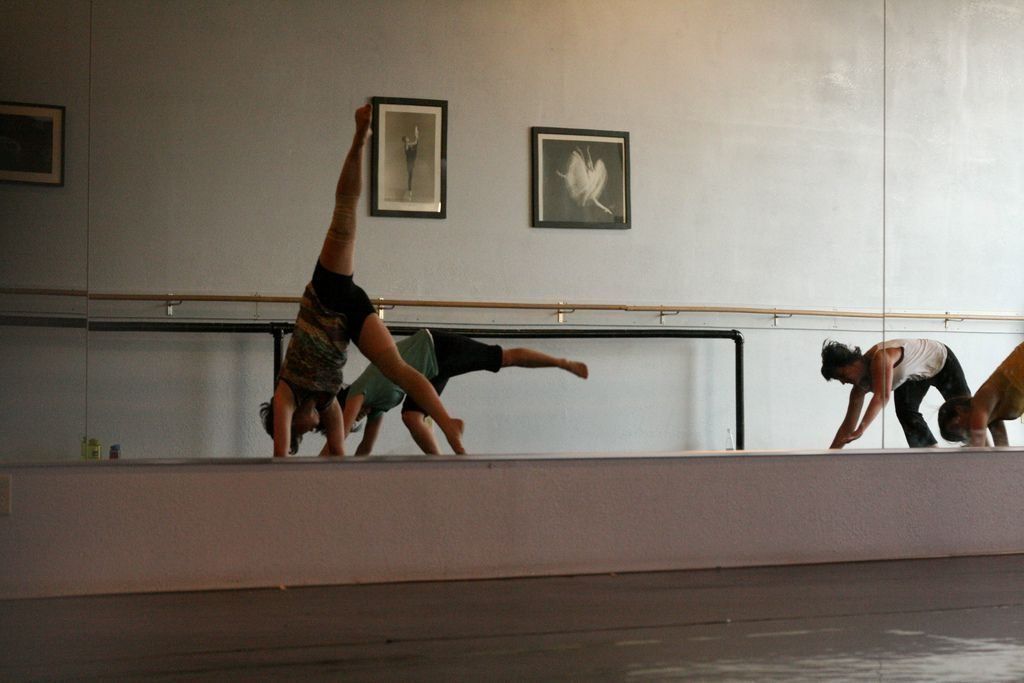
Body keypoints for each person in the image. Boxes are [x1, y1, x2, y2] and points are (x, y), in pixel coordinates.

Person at [259, 105, 464, 457]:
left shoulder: (285, 396)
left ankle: (359, 139)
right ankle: (449, 426)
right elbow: (339, 455)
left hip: (327, 295)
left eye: (300, 434)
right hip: (349, 316)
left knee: (344, 212)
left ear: (291, 424)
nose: (308, 432)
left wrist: (287, 453)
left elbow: (280, 457)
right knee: (398, 370)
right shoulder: (327, 403)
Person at [338, 328, 588, 455]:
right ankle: (445, 463)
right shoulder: (377, 408)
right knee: (411, 417)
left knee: (505, 358)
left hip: (436, 346)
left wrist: (321, 468)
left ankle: (561, 363)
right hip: (429, 373)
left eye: (355, 417)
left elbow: (339, 440)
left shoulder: (357, 392)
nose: (359, 417)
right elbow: (365, 449)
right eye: (358, 420)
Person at [821, 338, 971, 448]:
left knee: (966, 410)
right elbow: (847, 427)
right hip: (912, 377)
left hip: (939, 360)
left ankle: (977, 445)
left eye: (842, 375)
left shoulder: (880, 358)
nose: (843, 382)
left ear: (852, 363)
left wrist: (862, 428)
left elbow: (882, 396)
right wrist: (829, 458)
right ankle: (929, 453)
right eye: (839, 380)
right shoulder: (859, 389)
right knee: (905, 413)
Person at [937, 342, 1024, 447]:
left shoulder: (980, 404)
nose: (961, 432)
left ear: (960, 410)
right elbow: (1002, 449)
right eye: (957, 435)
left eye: (955, 426)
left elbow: (980, 448)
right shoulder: (994, 418)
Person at [402, 125, 418, 200]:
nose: (408, 138)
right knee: (410, 177)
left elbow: (415, 142)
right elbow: (415, 142)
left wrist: (416, 133)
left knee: (410, 177)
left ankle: (410, 192)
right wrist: (416, 134)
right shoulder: (406, 145)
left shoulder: (409, 145)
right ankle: (409, 192)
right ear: (405, 140)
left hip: (411, 162)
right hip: (410, 163)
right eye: (407, 138)